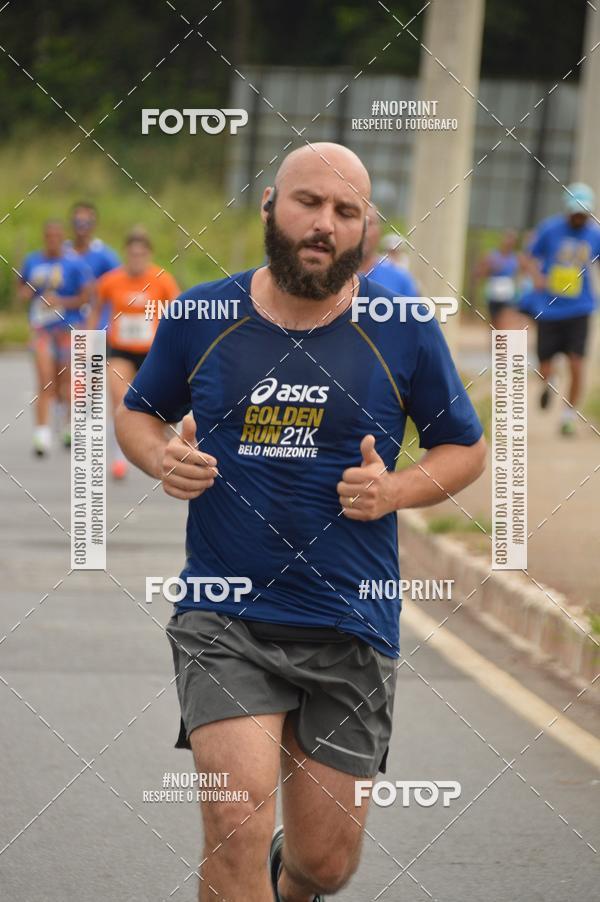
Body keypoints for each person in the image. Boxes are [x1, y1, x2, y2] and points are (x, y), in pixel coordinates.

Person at [115, 142, 486, 902]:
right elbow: (140, 416)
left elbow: (464, 450)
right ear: (269, 207)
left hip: (350, 619)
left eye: (345, 212)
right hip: (226, 615)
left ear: (365, 231)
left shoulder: (403, 327)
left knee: (324, 864)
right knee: (235, 824)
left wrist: (394, 492)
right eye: (308, 202)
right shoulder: (202, 313)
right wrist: (162, 461)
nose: (324, 224)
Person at [88, 229, 179, 479]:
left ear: (149, 254)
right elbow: (95, 310)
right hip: (121, 350)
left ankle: (168, 446)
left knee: (162, 405)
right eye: (132, 253)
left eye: (142, 254)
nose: (137, 258)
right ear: (126, 253)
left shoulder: (162, 279)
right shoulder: (110, 280)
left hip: (154, 353)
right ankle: (119, 459)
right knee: (120, 399)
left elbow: (180, 312)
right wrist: (89, 340)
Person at [525, 182, 600, 436]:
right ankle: (550, 380)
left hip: (580, 308)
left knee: (578, 363)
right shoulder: (550, 229)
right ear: (567, 210)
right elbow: (528, 257)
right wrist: (536, 276)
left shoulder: (595, 234)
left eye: (583, 213)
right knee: (544, 368)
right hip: (549, 309)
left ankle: (568, 416)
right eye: (575, 212)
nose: (579, 217)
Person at [19, 220, 93, 455]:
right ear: (44, 237)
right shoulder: (32, 260)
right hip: (42, 330)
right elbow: (20, 291)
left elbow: (85, 298)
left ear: (62, 238)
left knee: (67, 383)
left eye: (56, 236)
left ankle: (69, 428)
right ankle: (41, 435)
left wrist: (61, 301)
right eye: (48, 236)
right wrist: (31, 291)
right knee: (44, 381)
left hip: (67, 329)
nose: (52, 241)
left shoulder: (74, 263)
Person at [359, 210, 419, 295]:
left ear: (380, 231)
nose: (363, 230)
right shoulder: (335, 275)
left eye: (370, 223)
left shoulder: (401, 279)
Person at [474, 229, 522, 328]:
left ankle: (503, 341)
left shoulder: (516, 258)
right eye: (507, 238)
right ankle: (495, 342)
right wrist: (490, 269)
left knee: (504, 321)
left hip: (508, 295)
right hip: (493, 294)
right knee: (493, 323)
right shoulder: (491, 256)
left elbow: (520, 275)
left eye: (512, 239)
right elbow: (479, 273)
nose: (509, 242)